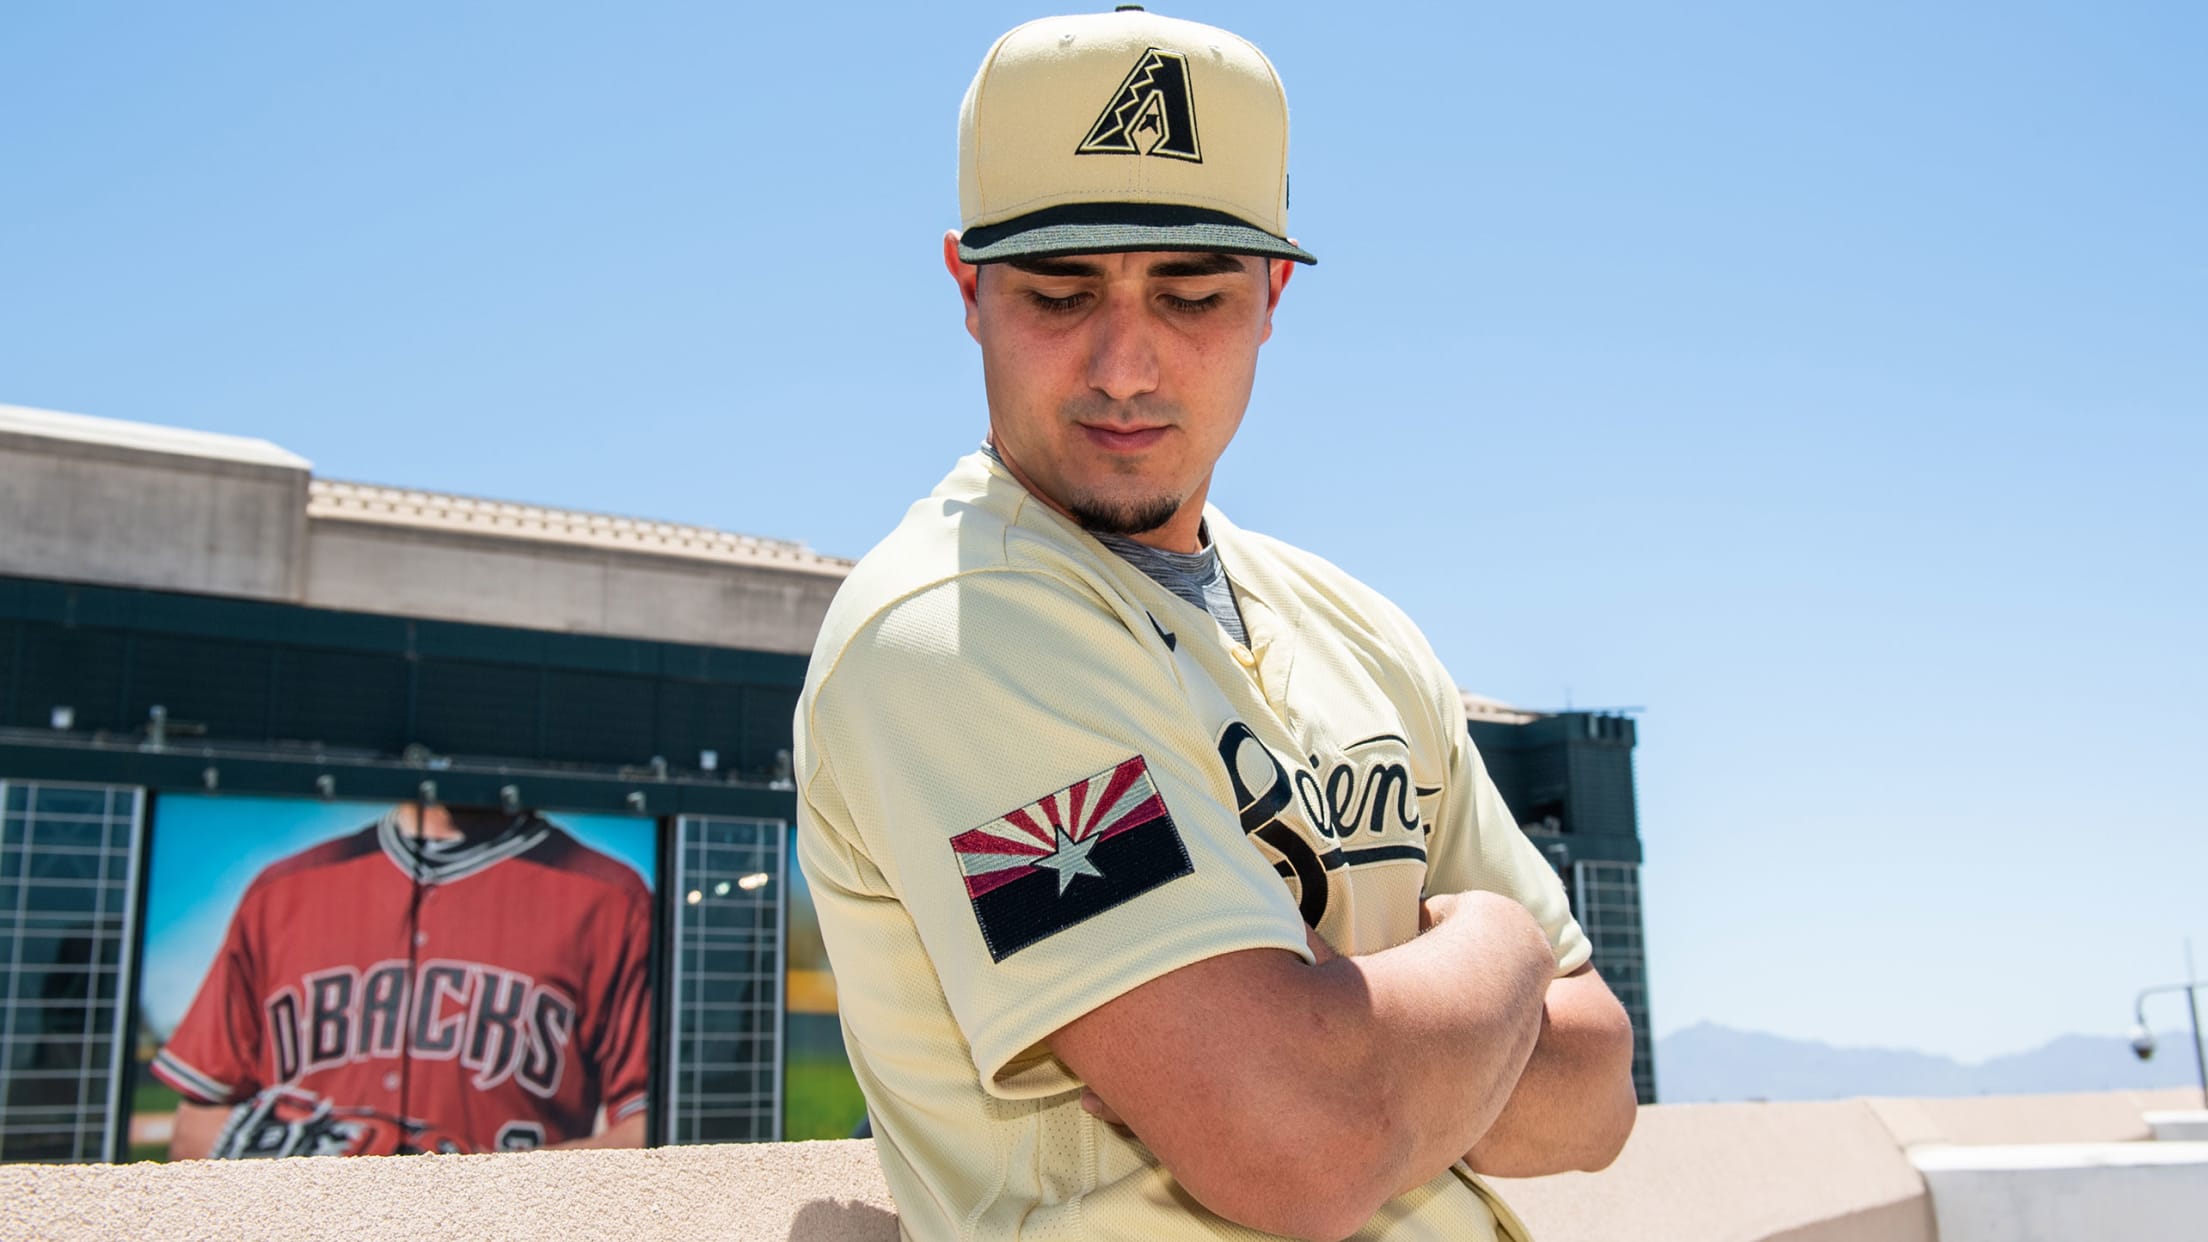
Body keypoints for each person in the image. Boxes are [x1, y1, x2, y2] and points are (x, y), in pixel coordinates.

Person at [794, 7, 1637, 1239]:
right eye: (1059, 291)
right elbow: (1298, 1142)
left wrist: (1379, 1054)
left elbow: (1600, 1092)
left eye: (1191, 294)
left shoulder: (1357, 628)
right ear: (967, 289)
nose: (1125, 364)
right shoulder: (954, 628)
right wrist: (1501, 954)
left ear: (1272, 297)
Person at [151, 801, 652, 1158]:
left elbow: (649, 1131)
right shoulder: (284, 891)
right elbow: (195, 1124)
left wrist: (490, 1194)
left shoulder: (609, 899)